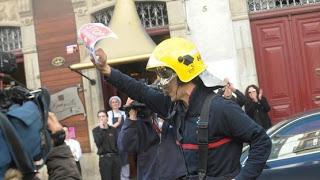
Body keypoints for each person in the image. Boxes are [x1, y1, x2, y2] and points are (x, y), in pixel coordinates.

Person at [91, 37, 271, 180]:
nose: (161, 83)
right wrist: (106, 69)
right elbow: (141, 92)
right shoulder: (175, 106)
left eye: (164, 75)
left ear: (182, 74)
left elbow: (262, 140)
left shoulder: (221, 108)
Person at [118, 98, 187, 180]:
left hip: (176, 173)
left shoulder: (173, 115)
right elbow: (124, 145)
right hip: (150, 174)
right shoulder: (138, 123)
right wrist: (131, 116)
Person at [92, 110, 121, 180]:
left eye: (103, 116)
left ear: (107, 118)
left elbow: (118, 144)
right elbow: (98, 142)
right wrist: (101, 129)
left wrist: (118, 157)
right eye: (99, 117)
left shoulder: (113, 130)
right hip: (104, 159)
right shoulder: (95, 130)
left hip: (115, 158)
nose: (101, 118)